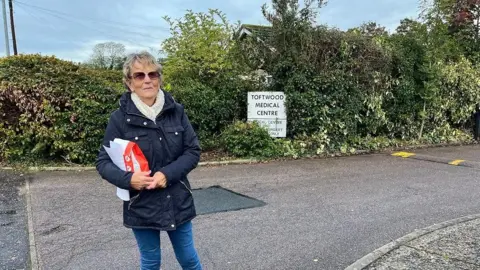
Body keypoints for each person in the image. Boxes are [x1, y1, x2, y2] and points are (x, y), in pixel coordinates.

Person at [95, 51, 202, 270]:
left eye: (153, 74)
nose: (147, 80)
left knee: (189, 259)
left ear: (159, 79)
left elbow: (192, 150)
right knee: (151, 262)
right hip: (141, 203)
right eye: (139, 75)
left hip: (177, 199)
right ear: (129, 82)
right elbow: (103, 162)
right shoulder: (119, 119)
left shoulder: (177, 112)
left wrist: (167, 174)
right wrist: (128, 179)